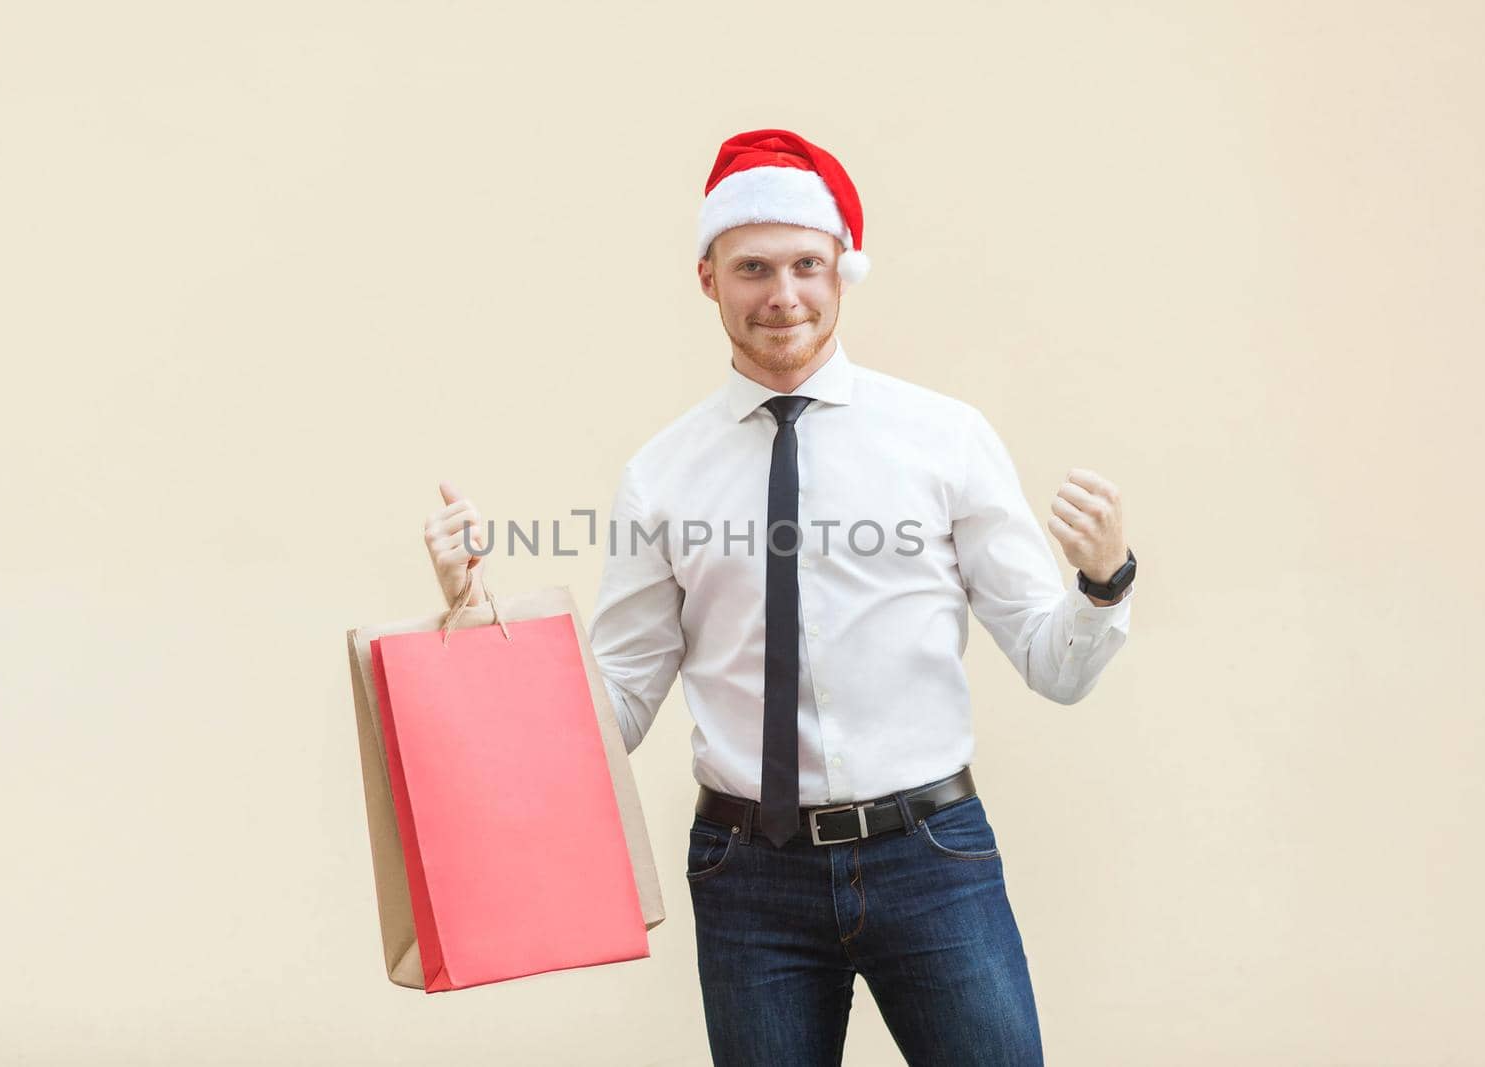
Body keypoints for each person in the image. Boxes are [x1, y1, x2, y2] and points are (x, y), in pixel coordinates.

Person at [424, 128, 1137, 1066]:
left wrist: (1101, 579)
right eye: (753, 267)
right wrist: (481, 622)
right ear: (709, 278)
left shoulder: (945, 440)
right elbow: (618, 711)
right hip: (747, 873)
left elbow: (1057, 668)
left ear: (843, 271)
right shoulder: (661, 476)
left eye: (807, 264)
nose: (783, 295)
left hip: (932, 856)